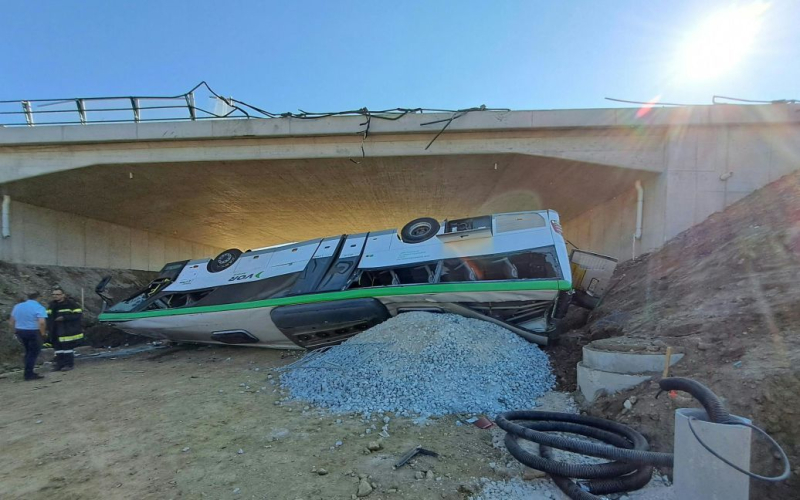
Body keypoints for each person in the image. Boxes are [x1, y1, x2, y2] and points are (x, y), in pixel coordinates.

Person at [9, 292, 48, 381]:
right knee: (33, 353)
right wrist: (43, 334)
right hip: (33, 331)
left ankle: (28, 371)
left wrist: (14, 332)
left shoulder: (18, 306)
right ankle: (29, 374)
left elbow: (11, 321)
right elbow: (41, 322)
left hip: (20, 331)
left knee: (27, 352)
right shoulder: (39, 307)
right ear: (39, 298)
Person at [47, 287, 84, 372]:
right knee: (58, 349)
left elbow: (78, 315)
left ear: (63, 295)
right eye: (54, 295)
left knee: (67, 349)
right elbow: (47, 317)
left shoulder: (71, 304)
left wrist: (64, 317)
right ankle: (59, 365)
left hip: (68, 330)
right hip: (55, 331)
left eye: (57, 294)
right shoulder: (51, 305)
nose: (55, 296)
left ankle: (68, 364)